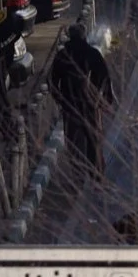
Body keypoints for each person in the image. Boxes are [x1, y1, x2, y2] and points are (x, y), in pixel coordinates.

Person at [49, 21, 112, 172]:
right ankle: (97, 175)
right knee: (94, 140)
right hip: (90, 105)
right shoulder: (92, 53)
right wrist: (103, 100)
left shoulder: (62, 55)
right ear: (84, 36)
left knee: (73, 143)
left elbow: (51, 82)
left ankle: (77, 175)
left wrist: (60, 100)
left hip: (69, 105)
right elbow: (105, 78)